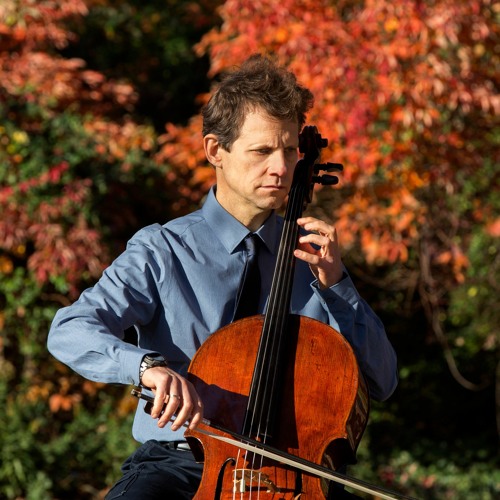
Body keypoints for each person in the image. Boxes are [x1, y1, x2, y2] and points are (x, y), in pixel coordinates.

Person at [47, 54, 398, 499]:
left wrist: (338, 286)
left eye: (289, 150)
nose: (281, 167)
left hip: (293, 476)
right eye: (262, 150)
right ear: (216, 150)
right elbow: (71, 328)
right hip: (176, 466)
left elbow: (383, 381)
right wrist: (147, 369)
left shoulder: (314, 262)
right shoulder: (162, 250)